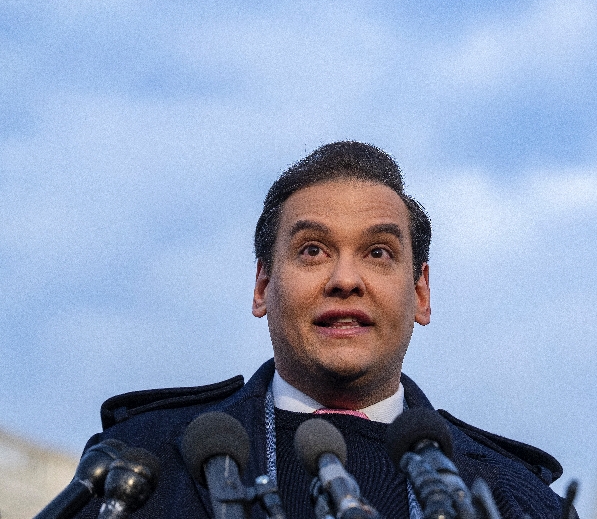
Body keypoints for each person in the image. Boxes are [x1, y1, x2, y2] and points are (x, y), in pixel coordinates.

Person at [74, 142, 569, 519]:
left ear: (421, 293)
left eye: (378, 253)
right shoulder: (137, 462)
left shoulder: (520, 497)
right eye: (312, 250)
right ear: (263, 286)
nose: (345, 280)